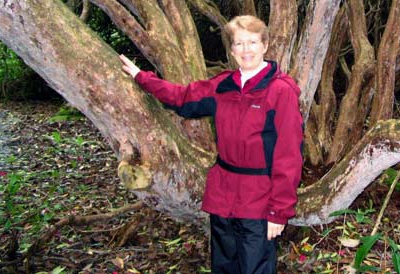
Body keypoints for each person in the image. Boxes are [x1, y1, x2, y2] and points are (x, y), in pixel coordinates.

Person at [119, 15, 304, 274]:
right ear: (231, 50)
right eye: (239, 43)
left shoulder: (280, 91)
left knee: (256, 268)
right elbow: (182, 98)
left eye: (252, 42)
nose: (246, 50)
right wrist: (142, 77)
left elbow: (289, 155)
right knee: (224, 265)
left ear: (264, 45)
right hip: (223, 193)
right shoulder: (222, 86)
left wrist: (279, 211)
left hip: (258, 198)